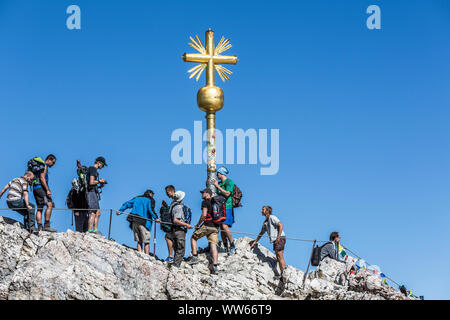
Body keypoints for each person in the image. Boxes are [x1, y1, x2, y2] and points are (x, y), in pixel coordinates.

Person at [187, 188, 220, 274]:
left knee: (193, 237)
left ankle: (194, 257)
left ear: (207, 193)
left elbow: (204, 215)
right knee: (213, 245)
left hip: (207, 225)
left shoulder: (205, 202)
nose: (201, 194)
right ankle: (215, 266)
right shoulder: (216, 202)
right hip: (215, 226)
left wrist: (198, 225)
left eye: (203, 193)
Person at [117, 190, 160, 255]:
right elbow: (150, 210)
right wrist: (156, 218)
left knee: (139, 241)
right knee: (146, 242)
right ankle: (147, 256)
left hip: (134, 220)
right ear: (150, 194)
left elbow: (127, 203)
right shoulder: (150, 200)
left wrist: (120, 210)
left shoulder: (137, 198)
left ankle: (140, 254)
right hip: (144, 222)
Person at [250, 206, 287, 279]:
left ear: (267, 211)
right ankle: (282, 274)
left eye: (263, 209)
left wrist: (278, 237)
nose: (261, 211)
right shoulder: (266, 222)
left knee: (280, 256)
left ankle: (284, 274)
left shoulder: (272, 217)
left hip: (280, 238)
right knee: (278, 257)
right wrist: (255, 242)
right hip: (276, 240)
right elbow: (261, 233)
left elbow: (281, 225)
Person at [211, 166, 236, 254]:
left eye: (217, 173)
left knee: (225, 226)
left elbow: (227, 193)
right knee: (221, 227)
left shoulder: (229, 182)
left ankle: (232, 245)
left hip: (228, 206)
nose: (217, 175)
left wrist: (217, 186)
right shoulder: (219, 183)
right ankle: (226, 247)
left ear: (221, 173)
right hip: (220, 208)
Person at [33, 154, 57, 232]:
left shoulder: (39, 166)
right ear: (49, 160)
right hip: (41, 188)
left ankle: (40, 227)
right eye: (53, 162)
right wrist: (47, 190)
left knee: (40, 207)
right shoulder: (44, 165)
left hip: (35, 188)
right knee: (49, 204)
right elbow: (42, 178)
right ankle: (47, 225)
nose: (53, 165)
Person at [170, 190, 192, 267]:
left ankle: (174, 265)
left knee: (177, 249)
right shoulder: (179, 207)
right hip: (179, 230)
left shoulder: (172, 206)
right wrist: (187, 225)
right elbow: (175, 220)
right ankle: (175, 266)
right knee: (181, 249)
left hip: (174, 230)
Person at [86, 156, 108, 234]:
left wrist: (100, 185)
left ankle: (95, 230)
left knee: (98, 212)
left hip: (93, 192)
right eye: (102, 165)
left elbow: (92, 184)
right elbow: (91, 182)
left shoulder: (94, 170)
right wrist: (99, 181)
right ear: (98, 163)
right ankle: (90, 230)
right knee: (93, 212)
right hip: (91, 193)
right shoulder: (93, 169)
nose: (102, 167)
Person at [163, 185, 176, 262]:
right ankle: (172, 256)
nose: (167, 194)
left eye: (167, 192)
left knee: (168, 237)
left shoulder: (175, 199)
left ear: (170, 191)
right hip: (176, 222)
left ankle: (171, 256)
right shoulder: (175, 200)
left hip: (174, 223)